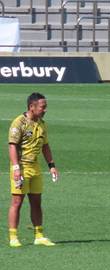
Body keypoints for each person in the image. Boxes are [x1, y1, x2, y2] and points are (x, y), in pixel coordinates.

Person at [8, 92, 59, 248]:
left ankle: (39, 236)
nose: (45, 110)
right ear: (32, 106)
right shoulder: (19, 123)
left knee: (36, 202)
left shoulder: (42, 124)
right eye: (43, 107)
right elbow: (12, 146)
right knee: (17, 201)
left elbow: (45, 146)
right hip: (21, 167)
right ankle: (13, 237)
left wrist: (51, 166)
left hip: (35, 167)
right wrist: (16, 168)